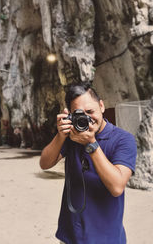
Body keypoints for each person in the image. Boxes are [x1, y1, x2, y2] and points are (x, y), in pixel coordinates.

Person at [40, 82, 137, 244]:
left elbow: (117, 187)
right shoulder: (72, 135)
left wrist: (91, 144)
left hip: (106, 238)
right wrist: (60, 135)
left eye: (90, 111)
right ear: (70, 114)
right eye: (79, 114)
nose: (86, 118)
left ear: (101, 106)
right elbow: (45, 163)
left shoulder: (123, 139)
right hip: (70, 236)